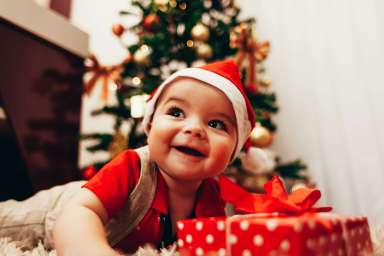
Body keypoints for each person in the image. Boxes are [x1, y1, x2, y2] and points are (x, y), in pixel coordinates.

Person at [52, 59, 256, 255]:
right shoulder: (132, 167)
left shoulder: (212, 197)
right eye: (176, 112)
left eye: (216, 124)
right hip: (52, 212)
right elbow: (79, 211)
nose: (194, 129)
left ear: (232, 152)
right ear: (149, 126)